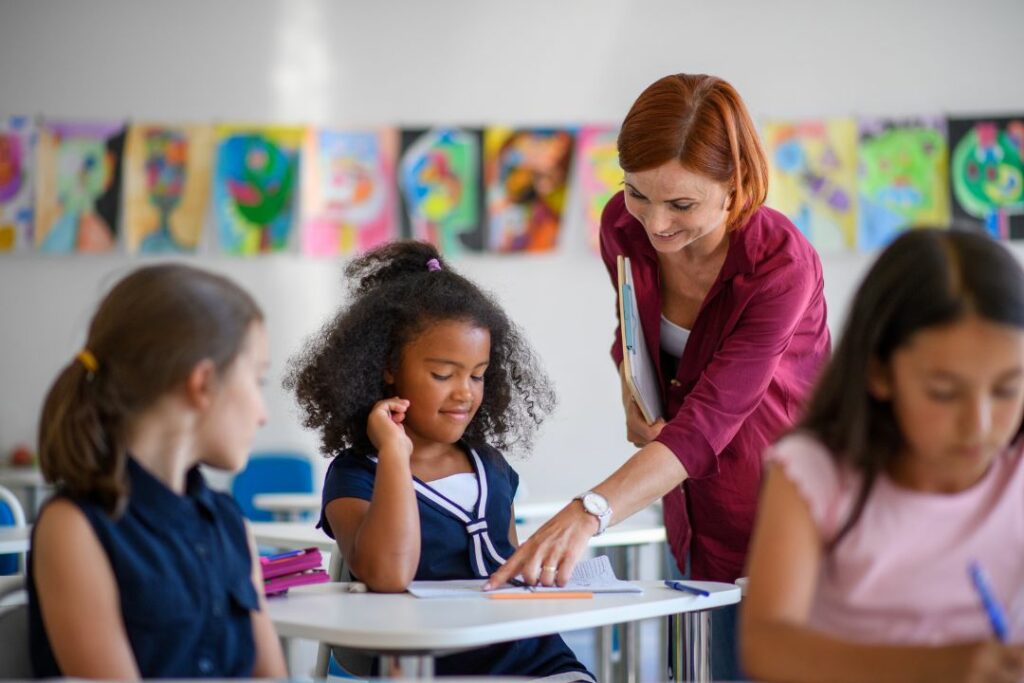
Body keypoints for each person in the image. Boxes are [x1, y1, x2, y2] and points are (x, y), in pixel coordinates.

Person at [487, 72, 831, 674]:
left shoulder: (781, 266)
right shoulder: (621, 228)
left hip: (785, 519)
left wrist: (590, 509)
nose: (655, 223)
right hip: (690, 510)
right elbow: (634, 333)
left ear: (736, 186)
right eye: (638, 193)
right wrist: (630, 388)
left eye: (681, 204)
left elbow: (710, 418)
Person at [286, 240, 594, 680]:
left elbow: (506, 563)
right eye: (442, 374)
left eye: (477, 375)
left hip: (535, 660)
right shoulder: (355, 475)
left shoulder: (491, 466)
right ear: (389, 366)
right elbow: (388, 575)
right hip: (430, 665)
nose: (464, 393)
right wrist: (394, 451)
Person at [741, 228, 1024, 683]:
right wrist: (944, 667)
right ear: (879, 374)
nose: (980, 425)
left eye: (1008, 388)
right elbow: (767, 645)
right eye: (944, 392)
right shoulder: (814, 472)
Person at [28, 264, 286, 679]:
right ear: (203, 383)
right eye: (258, 381)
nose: (263, 415)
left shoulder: (230, 524)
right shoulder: (74, 528)